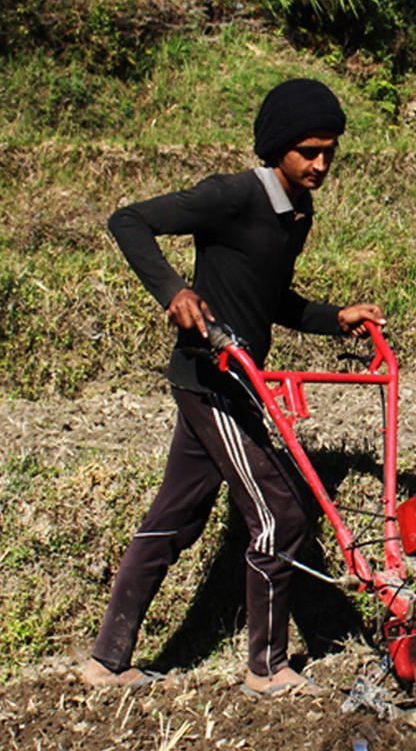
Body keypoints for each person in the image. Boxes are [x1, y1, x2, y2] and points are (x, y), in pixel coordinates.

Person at [82, 77, 383, 696]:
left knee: (176, 516)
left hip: (239, 383)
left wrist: (335, 318)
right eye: (309, 151)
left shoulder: (295, 214)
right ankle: (267, 669)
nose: (321, 164)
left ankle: (106, 662)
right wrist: (175, 291)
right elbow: (129, 221)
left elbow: (270, 301)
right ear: (278, 148)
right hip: (210, 378)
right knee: (278, 515)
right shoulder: (231, 196)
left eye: (330, 151)